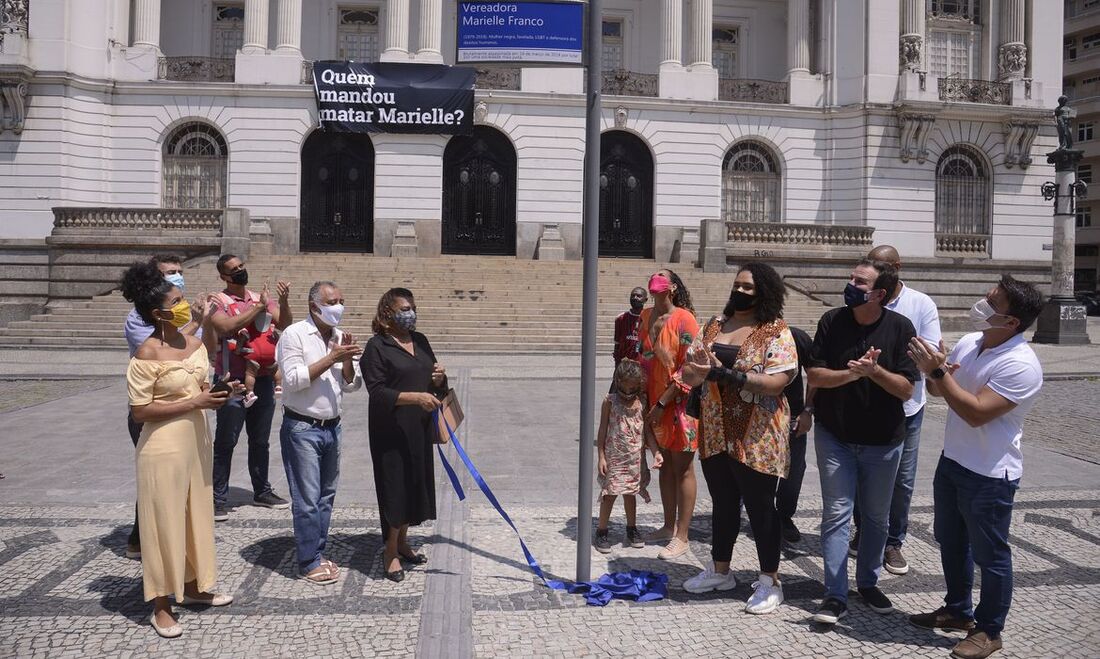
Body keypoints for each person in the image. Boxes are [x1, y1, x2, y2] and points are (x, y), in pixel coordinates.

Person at [907, 275, 1044, 659]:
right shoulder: (972, 342)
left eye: (991, 302)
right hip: (954, 461)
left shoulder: (1021, 365)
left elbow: (974, 412)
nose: (981, 305)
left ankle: (989, 630)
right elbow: (940, 391)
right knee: (951, 541)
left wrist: (938, 373)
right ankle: (957, 611)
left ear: (1012, 322)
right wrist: (930, 368)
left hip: (990, 474)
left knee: (991, 555)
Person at [121, 261, 234, 638]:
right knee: (163, 520)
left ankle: (194, 585)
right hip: (163, 446)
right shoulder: (147, 354)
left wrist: (219, 393)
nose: (185, 304)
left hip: (197, 440)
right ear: (158, 313)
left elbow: (203, 366)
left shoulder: (191, 341)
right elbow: (140, 411)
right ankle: (161, 603)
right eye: (178, 301)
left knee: (195, 512)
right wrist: (196, 403)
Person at [807, 259, 920, 625]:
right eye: (851, 277)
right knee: (837, 514)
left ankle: (868, 582)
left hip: (884, 441)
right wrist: (851, 375)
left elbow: (906, 389)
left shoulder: (900, 328)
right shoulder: (832, 321)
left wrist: (875, 372)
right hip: (835, 436)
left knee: (875, 518)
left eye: (859, 280)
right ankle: (835, 594)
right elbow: (816, 375)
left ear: (879, 294)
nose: (850, 283)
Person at [680, 262, 798, 614]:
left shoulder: (775, 330)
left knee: (761, 507)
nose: (741, 291)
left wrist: (730, 375)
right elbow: (689, 372)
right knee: (723, 501)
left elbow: (779, 381)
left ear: (764, 291)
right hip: (716, 429)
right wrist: (701, 370)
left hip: (757, 432)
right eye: (737, 285)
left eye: (749, 287)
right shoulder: (715, 325)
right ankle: (720, 571)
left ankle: (770, 581)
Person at [851, 245, 942, 575]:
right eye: (871, 265)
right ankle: (864, 530)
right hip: (865, 403)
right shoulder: (860, 298)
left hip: (907, 405)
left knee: (902, 480)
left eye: (882, 265)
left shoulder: (920, 304)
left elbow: (928, 355)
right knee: (863, 474)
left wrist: (885, 368)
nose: (875, 270)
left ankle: (893, 542)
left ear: (897, 268)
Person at [121, 254, 210, 560]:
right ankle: (144, 542)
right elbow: (164, 350)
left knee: (186, 495)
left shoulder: (178, 318)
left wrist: (209, 388)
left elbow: (193, 352)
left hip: (190, 422)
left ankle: (185, 561)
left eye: (180, 273)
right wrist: (196, 321)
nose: (177, 278)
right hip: (159, 424)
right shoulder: (140, 325)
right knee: (159, 490)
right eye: (171, 274)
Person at [275, 281, 362, 585]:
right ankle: (308, 559)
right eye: (332, 301)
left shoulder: (339, 336)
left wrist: (347, 360)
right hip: (302, 427)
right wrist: (331, 359)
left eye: (341, 299)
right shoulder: (294, 335)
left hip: (332, 426)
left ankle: (318, 550)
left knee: (326, 495)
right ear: (314, 306)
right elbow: (294, 379)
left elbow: (351, 384)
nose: (339, 306)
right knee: (307, 497)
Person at [362, 287, 448, 583]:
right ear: (387, 313)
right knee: (394, 488)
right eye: (404, 308)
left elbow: (434, 379)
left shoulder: (420, 340)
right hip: (391, 430)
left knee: (414, 485)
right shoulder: (377, 346)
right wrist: (415, 398)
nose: (410, 313)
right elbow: (377, 391)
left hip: (419, 428)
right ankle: (389, 552)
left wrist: (439, 379)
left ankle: (403, 542)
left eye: (412, 307)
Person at [208, 254, 292, 521]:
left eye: (242, 266)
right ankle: (217, 498)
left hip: (263, 379)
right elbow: (226, 326)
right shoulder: (218, 302)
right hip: (231, 381)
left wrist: (284, 301)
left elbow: (286, 323)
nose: (240, 271)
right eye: (234, 270)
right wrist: (258, 308)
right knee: (226, 441)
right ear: (224, 276)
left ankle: (262, 490)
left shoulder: (259, 297)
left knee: (260, 440)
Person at [638, 268, 700, 560]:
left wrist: (663, 401)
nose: (655, 279)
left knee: (683, 467)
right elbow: (641, 357)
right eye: (653, 275)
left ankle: (682, 536)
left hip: (680, 403)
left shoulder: (684, 318)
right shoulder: (645, 316)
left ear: (672, 287)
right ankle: (667, 525)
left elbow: (690, 368)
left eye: (662, 276)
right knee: (664, 465)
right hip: (653, 402)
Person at [595, 358, 663, 553]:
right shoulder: (609, 401)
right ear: (618, 383)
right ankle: (602, 530)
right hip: (614, 457)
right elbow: (602, 430)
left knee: (630, 494)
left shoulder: (641, 402)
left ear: (639, 386)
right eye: (624, 389)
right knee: (610, 494)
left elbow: (647, 431)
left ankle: (631, 528)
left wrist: (656, 452)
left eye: (632, 390)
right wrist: (601, 455)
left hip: (634, 458)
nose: (627, 394)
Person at [775, 324, 814, 544]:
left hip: (792, 416)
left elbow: (815, 374)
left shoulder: (795, 336)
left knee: (794, 469)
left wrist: (808, 410)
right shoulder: (747, 335)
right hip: (756, 417)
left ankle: (784, 515)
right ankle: (762, 513)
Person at [613, 287, 648, 366]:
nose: (635, 298)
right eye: (633, 295)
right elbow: (617, 344)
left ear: (645, 300)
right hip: (624, 364)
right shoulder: (621, 318)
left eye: (639, 296)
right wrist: (617, 365)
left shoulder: (650, 318)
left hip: (642, 364)